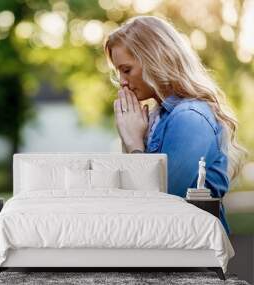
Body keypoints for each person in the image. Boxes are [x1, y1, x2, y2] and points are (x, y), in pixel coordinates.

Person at [104, 15, 246, 235]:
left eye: (126, 69)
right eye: (118, 71)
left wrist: (133, 143)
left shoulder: (189, 118)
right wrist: (131, 139)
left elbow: (162, 203)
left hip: (191, 256)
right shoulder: (157, 117)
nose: (122, 81)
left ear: (154, 60)